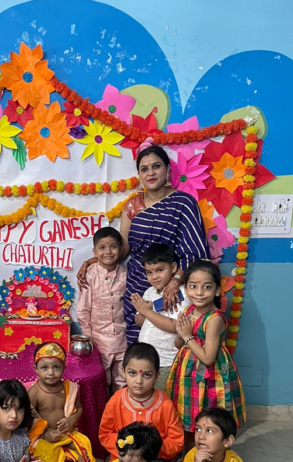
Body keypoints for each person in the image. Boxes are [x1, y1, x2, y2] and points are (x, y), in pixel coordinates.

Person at [78, 139, 208, 345]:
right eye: (144, 169)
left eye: (156, 166)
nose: (151, 173)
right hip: (137, 282)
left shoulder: (184, 203)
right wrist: (92, 262)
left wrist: (174, 282)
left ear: (167, 169)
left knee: (171, 339)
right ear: (139, 174)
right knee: (138, 339)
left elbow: (195, 251)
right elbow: (121, 247)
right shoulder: (132, 205)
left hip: (175, 281)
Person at [166, 259, 246, 451]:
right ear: (186, 290)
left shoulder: (215, 319)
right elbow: (179, 343)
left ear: (217, 290)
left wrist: (186, 336)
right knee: (187, 414)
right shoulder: (189, 310)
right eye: (193, 286)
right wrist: (181, 335)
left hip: (210, 376)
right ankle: (190, 455)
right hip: (187, 373)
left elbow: (208, 357)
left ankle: (209, 454)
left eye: (207, 287)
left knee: (207, 415)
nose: (199, 292)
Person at [99, 343, 183, 461]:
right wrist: (127, 448)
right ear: (123, 372)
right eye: (132, 373)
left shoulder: (165, 404)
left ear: (156, 376)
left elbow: (177, 441)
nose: (139, 381)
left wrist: (150, 448)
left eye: (147, 375)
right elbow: (105, 434)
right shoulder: (116, 401)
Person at [27, 342, 95, 462]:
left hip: (67, 433)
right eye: (44, 367)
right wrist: (45, 433)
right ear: (36, 369)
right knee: (45, 457)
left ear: (64, 367)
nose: (51, 372)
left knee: (85, 443)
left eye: (56, 367)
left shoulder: (69, 388)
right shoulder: (35, 392)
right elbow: (28, 416)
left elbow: (79, 408)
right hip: (44, 436)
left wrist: (71, 420)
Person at [130, 243, 191, 391]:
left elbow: (177, 327)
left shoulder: (181, 293)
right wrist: (141, 310)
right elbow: (139, 322)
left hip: (166, 361)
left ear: (174, 267)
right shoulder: (149, 292)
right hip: (145, 360)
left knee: (164, 400)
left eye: (160, 270)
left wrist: (148, 312)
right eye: (149, 272)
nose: (154, 277)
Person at [76, 227, 127, 390]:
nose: (108, 252)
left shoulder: (127, 274)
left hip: (123, 338)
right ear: (95, 251)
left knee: (122, 380)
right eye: (102, 247)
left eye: (113, 246)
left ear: (121, 249)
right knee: (101, 382)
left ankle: (119, 411)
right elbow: (83, 309)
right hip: (98, 340)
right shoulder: (89, 275)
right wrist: (88, 336)